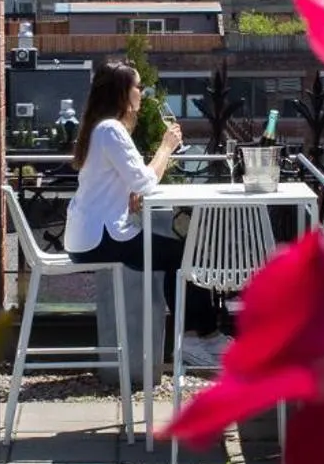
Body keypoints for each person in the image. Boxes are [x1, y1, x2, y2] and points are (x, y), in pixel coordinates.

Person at [64, 61, 228, 371]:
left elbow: (115, 183)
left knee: (177, 255)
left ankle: (201, 336)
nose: (142, 92)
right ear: (122, 93)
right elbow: (146, 181)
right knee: (183, 255)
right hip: (102, 238)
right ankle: (199, 338)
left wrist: (127, 199)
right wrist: (167, 146)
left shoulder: (100, 128)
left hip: (90, 235)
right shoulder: (110, 129)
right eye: (137, 87)